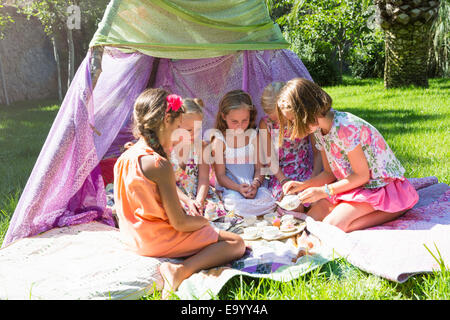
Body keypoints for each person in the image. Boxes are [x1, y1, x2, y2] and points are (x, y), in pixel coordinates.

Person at [113, 88, 245, 297]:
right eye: (177, 127)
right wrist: (203, 223)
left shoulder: (124, 159)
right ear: (166, 120)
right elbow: (180, 223)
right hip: (157, 240)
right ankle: (179, 270)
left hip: (134, 237)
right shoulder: (159, 164)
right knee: (236, 243)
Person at [279, 78, 419, 232]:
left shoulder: (345, 128)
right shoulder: (319, 131)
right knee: (309, 221)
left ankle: (395, 208)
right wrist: (304, 185)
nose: (290, 126)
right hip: (352, 187)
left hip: (377, 187)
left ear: (306, 111)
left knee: (331, 227)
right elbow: (329, 173)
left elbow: (362, 176)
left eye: (292, 120)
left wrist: (323, 191)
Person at [211, 89, 276, 217]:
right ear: (224, 117)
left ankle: (250, 211)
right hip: (232, 188)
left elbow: (259, 168)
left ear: (250, 116)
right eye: (234, 121)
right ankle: (249, 212)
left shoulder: (253, 136)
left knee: (267, 199)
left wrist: (256, 184)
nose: (240, 126)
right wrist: (238, 188)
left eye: (244, 121)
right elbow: (221, 176)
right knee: (234, 203)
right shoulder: (220, 141)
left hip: (253, 186)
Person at [259, 81, 322, 203]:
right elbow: (269, 157)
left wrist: (313, 179)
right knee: (292, 203)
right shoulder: (265, 124)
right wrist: (283, 181)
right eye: (272, 118)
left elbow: (317, 151)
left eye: (279, 117)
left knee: (316, 202)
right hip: (280, 175)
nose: (277, 122)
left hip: (305, 171)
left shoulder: (302, 120)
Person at [170, 98, 227, 219]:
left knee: (211, 210)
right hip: (176, 196)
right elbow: (168, 184)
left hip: (198, 194)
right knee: (176, 211)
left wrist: (199, 201)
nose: (194, 134)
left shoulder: (202, 147)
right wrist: (187, 201)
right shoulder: (166, 150)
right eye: (189, 130)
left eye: (198, 129)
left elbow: (203, 179)